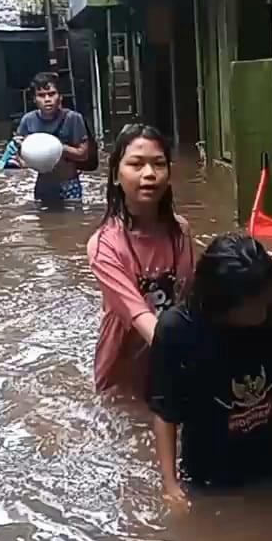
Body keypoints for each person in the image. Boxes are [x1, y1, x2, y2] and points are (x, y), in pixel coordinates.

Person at [149, 233, 272, 506]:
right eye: (260, 302)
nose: (271, 304)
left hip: (269, 457)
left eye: (270, 294)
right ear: (224, 306)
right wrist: (170, 485)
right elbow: (165, 412)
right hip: (208, 474)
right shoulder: (178, 331)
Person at [87, 124, 194, 400]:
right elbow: (140, 317)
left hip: (171, 364)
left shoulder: (181, 232)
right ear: (115, 175)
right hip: (122, 377)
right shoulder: (105, 246)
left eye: (159, 164)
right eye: (136, 164)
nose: (149, 174)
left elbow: (193, 297)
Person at [8, 72, 90, 202]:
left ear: (60, 97)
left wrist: (57, 148)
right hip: (43, 186)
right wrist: (22, 149)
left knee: (74, 220)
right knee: (43, 221)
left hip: (69, 184)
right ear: (35, 99)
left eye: (52, 94)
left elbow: (84, 154)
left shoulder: (73, 118)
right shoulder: (28, 120)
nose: (47, 99)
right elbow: (22, 162)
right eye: (41, 95)